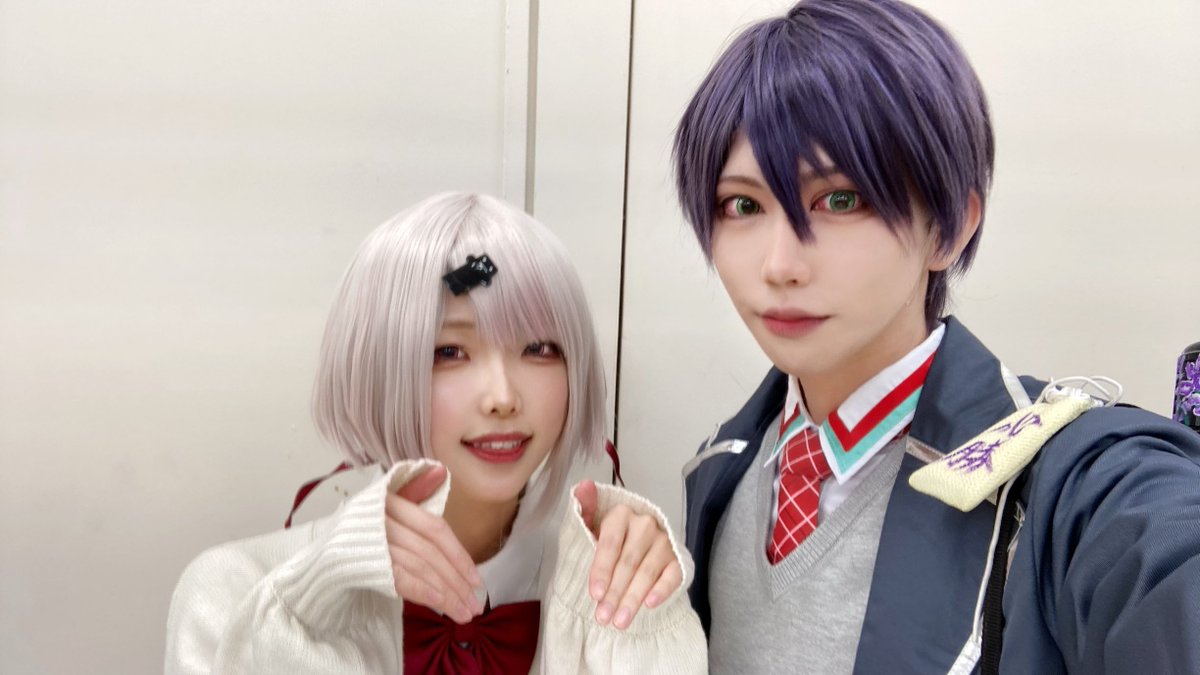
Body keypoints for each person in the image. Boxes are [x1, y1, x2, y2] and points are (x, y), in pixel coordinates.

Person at [672, 1, 1200, 673]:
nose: (780, 264)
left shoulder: (1068, 485)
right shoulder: (721, 468)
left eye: (840, 199)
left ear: (948, 228)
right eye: (743, 204)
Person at [165, 192, 706, 674]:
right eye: (449, 351)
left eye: (538, 348)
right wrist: (310, 607)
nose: (502, 397)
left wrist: (634, 624)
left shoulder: (612, 593)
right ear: (377, 368)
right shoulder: (234, 591)